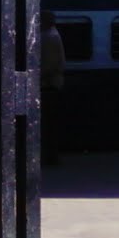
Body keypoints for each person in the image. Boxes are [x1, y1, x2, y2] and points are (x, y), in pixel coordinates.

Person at [40, 10, 66, 165]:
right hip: (52, 84)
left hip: (49, 85)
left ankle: (50, 157)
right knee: (50, 124)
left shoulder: (49, 37)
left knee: (48, 124)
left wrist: (35, 76)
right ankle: (51, 156)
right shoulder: (52, 35)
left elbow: (49, 65)